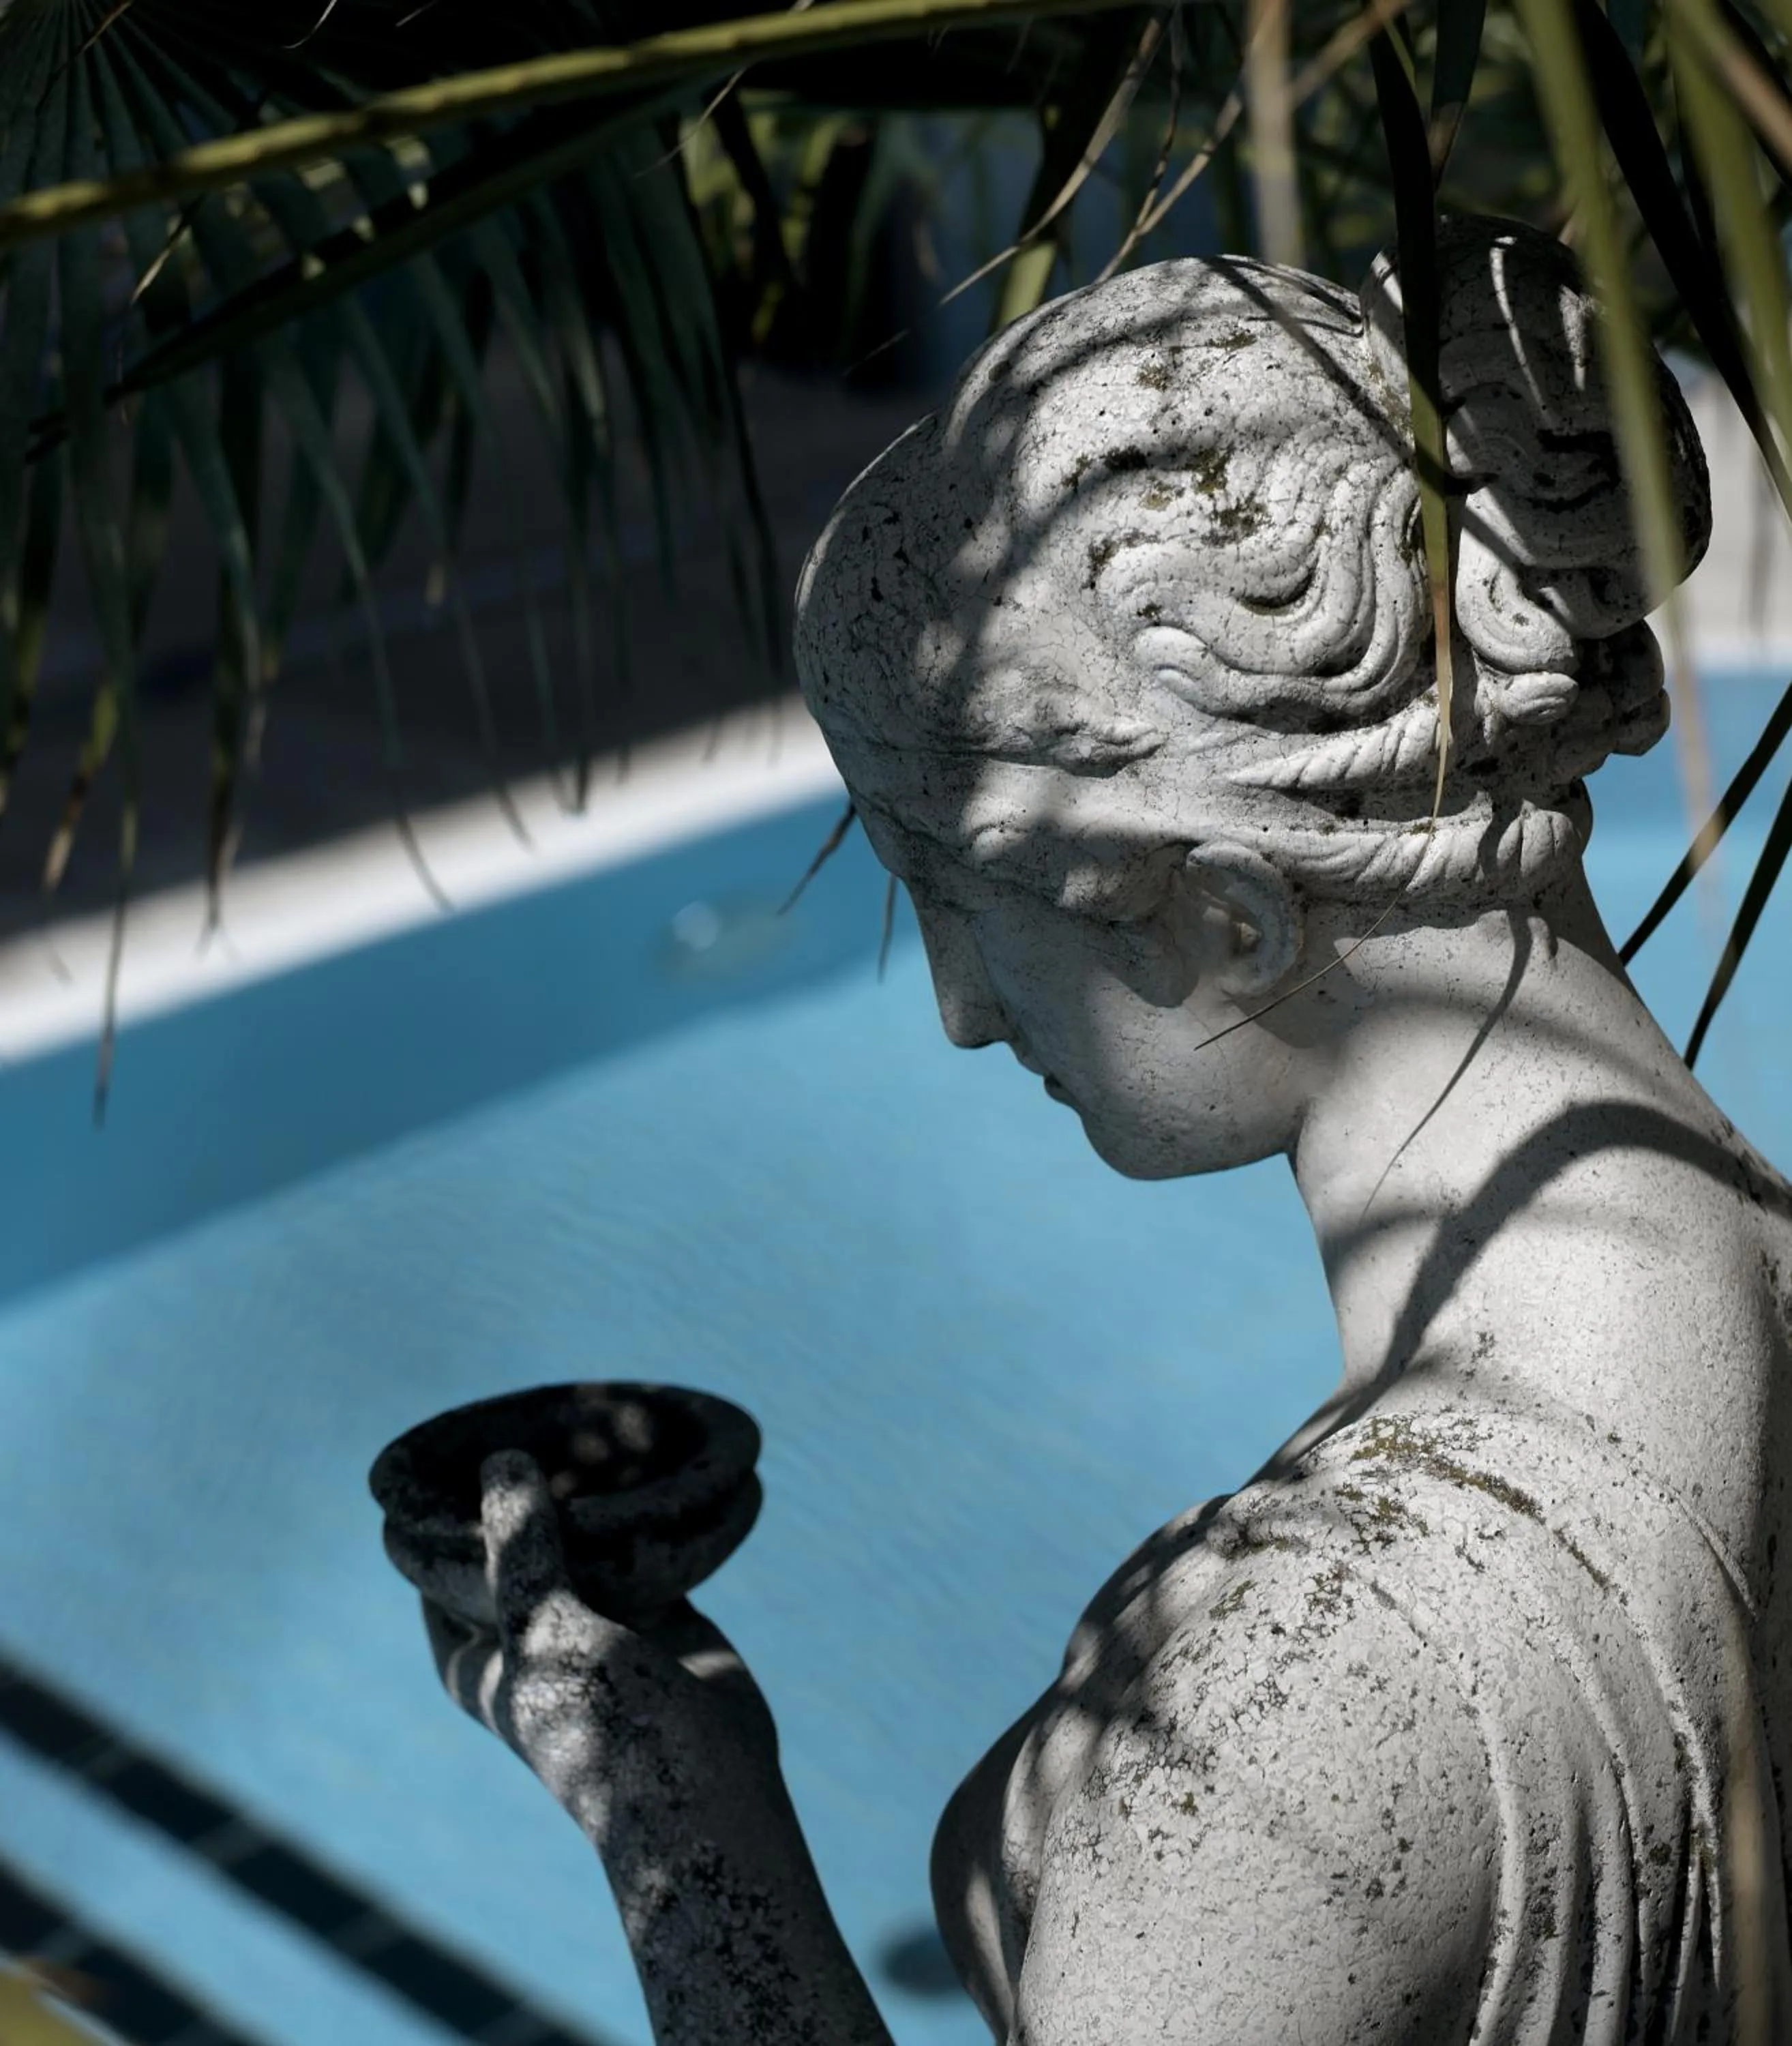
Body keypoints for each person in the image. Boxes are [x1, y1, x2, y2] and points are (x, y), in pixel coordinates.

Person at [419, 218, 1792, 2043]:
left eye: (957, 899)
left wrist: (677, 1821)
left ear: (1232, 911)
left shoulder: (1280, 1729)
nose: (961, 1010)